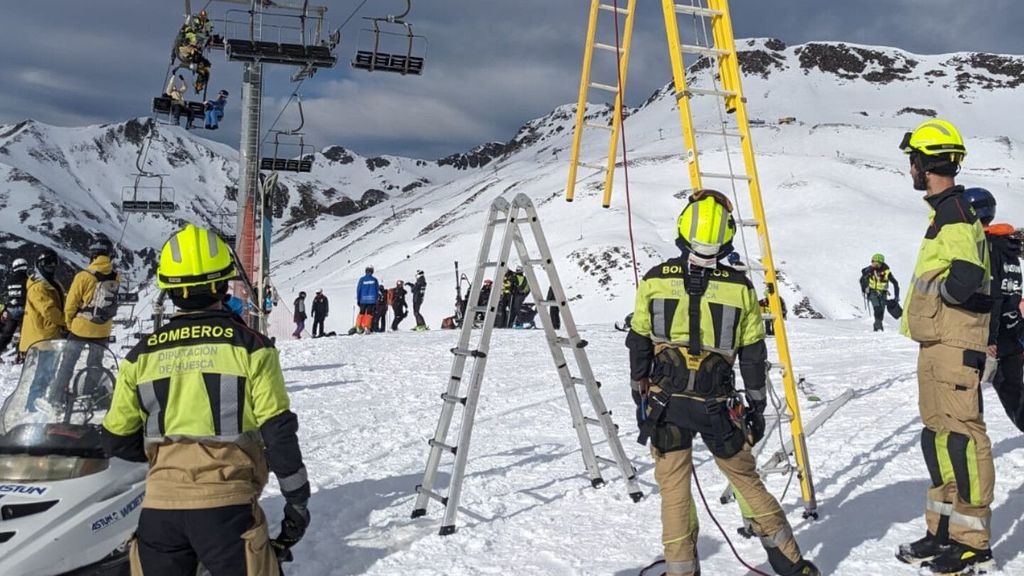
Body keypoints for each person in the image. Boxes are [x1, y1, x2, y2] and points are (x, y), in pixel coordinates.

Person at [627, 190, 819, 576]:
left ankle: (680, 570)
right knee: (746, 479)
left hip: (666, 404)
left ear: (682, 229)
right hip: (717, 405)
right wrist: (757, 406)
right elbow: (752, 355)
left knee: (674, 489)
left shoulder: (655, 279)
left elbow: (639, 341)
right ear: (727, 236)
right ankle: (791, 564)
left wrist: (640, 394)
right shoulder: (740, 288)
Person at [101, 224, 310, 575]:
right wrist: (298, 501)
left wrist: (166, 460)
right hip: (229, 512)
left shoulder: (141, 356)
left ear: (168, 290)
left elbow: (116, 439)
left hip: (159, 513)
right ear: (223, 285)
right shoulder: (251, 348)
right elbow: (278, 433)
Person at [896, 120, 995, 573]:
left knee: (963, 439)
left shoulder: (955, 212)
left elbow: (967, 276)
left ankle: (972, 539)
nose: (910, 168)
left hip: (954, 341)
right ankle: (943, 530)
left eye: (912, 160)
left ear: (925, 162)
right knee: (937, 438)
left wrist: (943, 304)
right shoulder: (944, 212)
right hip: (937, 342)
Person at [963, 187, 1024, 432]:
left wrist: (990, 338)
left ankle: (966, 443)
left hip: (994, 334)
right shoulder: (1007, 247)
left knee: (966, 391)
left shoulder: (984, 246)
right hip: (1014, 331)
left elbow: (995, 294)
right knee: (1014, 393)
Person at [55, 238, 121, 395]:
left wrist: (70, 324)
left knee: (68, 362)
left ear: (93, 255)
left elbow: (70, 304)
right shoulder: (116, 276)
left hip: (81, 327)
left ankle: (57, 395)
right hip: (103, 329)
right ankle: (88, 394)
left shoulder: (83, 276)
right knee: (95, 364)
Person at [21, 249, 66, 411]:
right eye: (48, 263)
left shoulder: (52, 283)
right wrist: (67, 321)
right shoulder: (38, 287)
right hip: (42, 338)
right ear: (39, 265)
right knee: (42, 374)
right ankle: (32, 406)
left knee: (48, 372)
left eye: (54, 263)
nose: (52, 267)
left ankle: (41, 402)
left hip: (51, 336)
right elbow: (49, 311)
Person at [860, 253, 900, 331]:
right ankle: (879, 328)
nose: (874, 264)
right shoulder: (869, 270)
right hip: (872, 292)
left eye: (876, 263)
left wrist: (896, 296)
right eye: (873, 262)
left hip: (883, 293)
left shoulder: (887, 272)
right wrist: (865, 289)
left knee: (881, 311)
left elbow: (895, 283)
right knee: (877, 309)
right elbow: (862, 279)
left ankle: (877, 327)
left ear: (881, 263)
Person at [0, 257, 29, 360]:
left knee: (7, 335)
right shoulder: (27, 279)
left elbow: (6, 296)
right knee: (24, 335)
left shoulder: (9, 281)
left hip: (11, 311)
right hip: (24, 310)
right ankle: (20, 355)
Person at [356, 266, 379, 334]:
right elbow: (377, 290)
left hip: (363, 299)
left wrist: (358, 299)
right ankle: (366, 326)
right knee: (369, 314)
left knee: (361, 313)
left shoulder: (362, 279)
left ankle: (358, 326)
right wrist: (376, 299)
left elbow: (358, 290)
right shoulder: (375, 280)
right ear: (372, 271)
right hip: (371, 300)